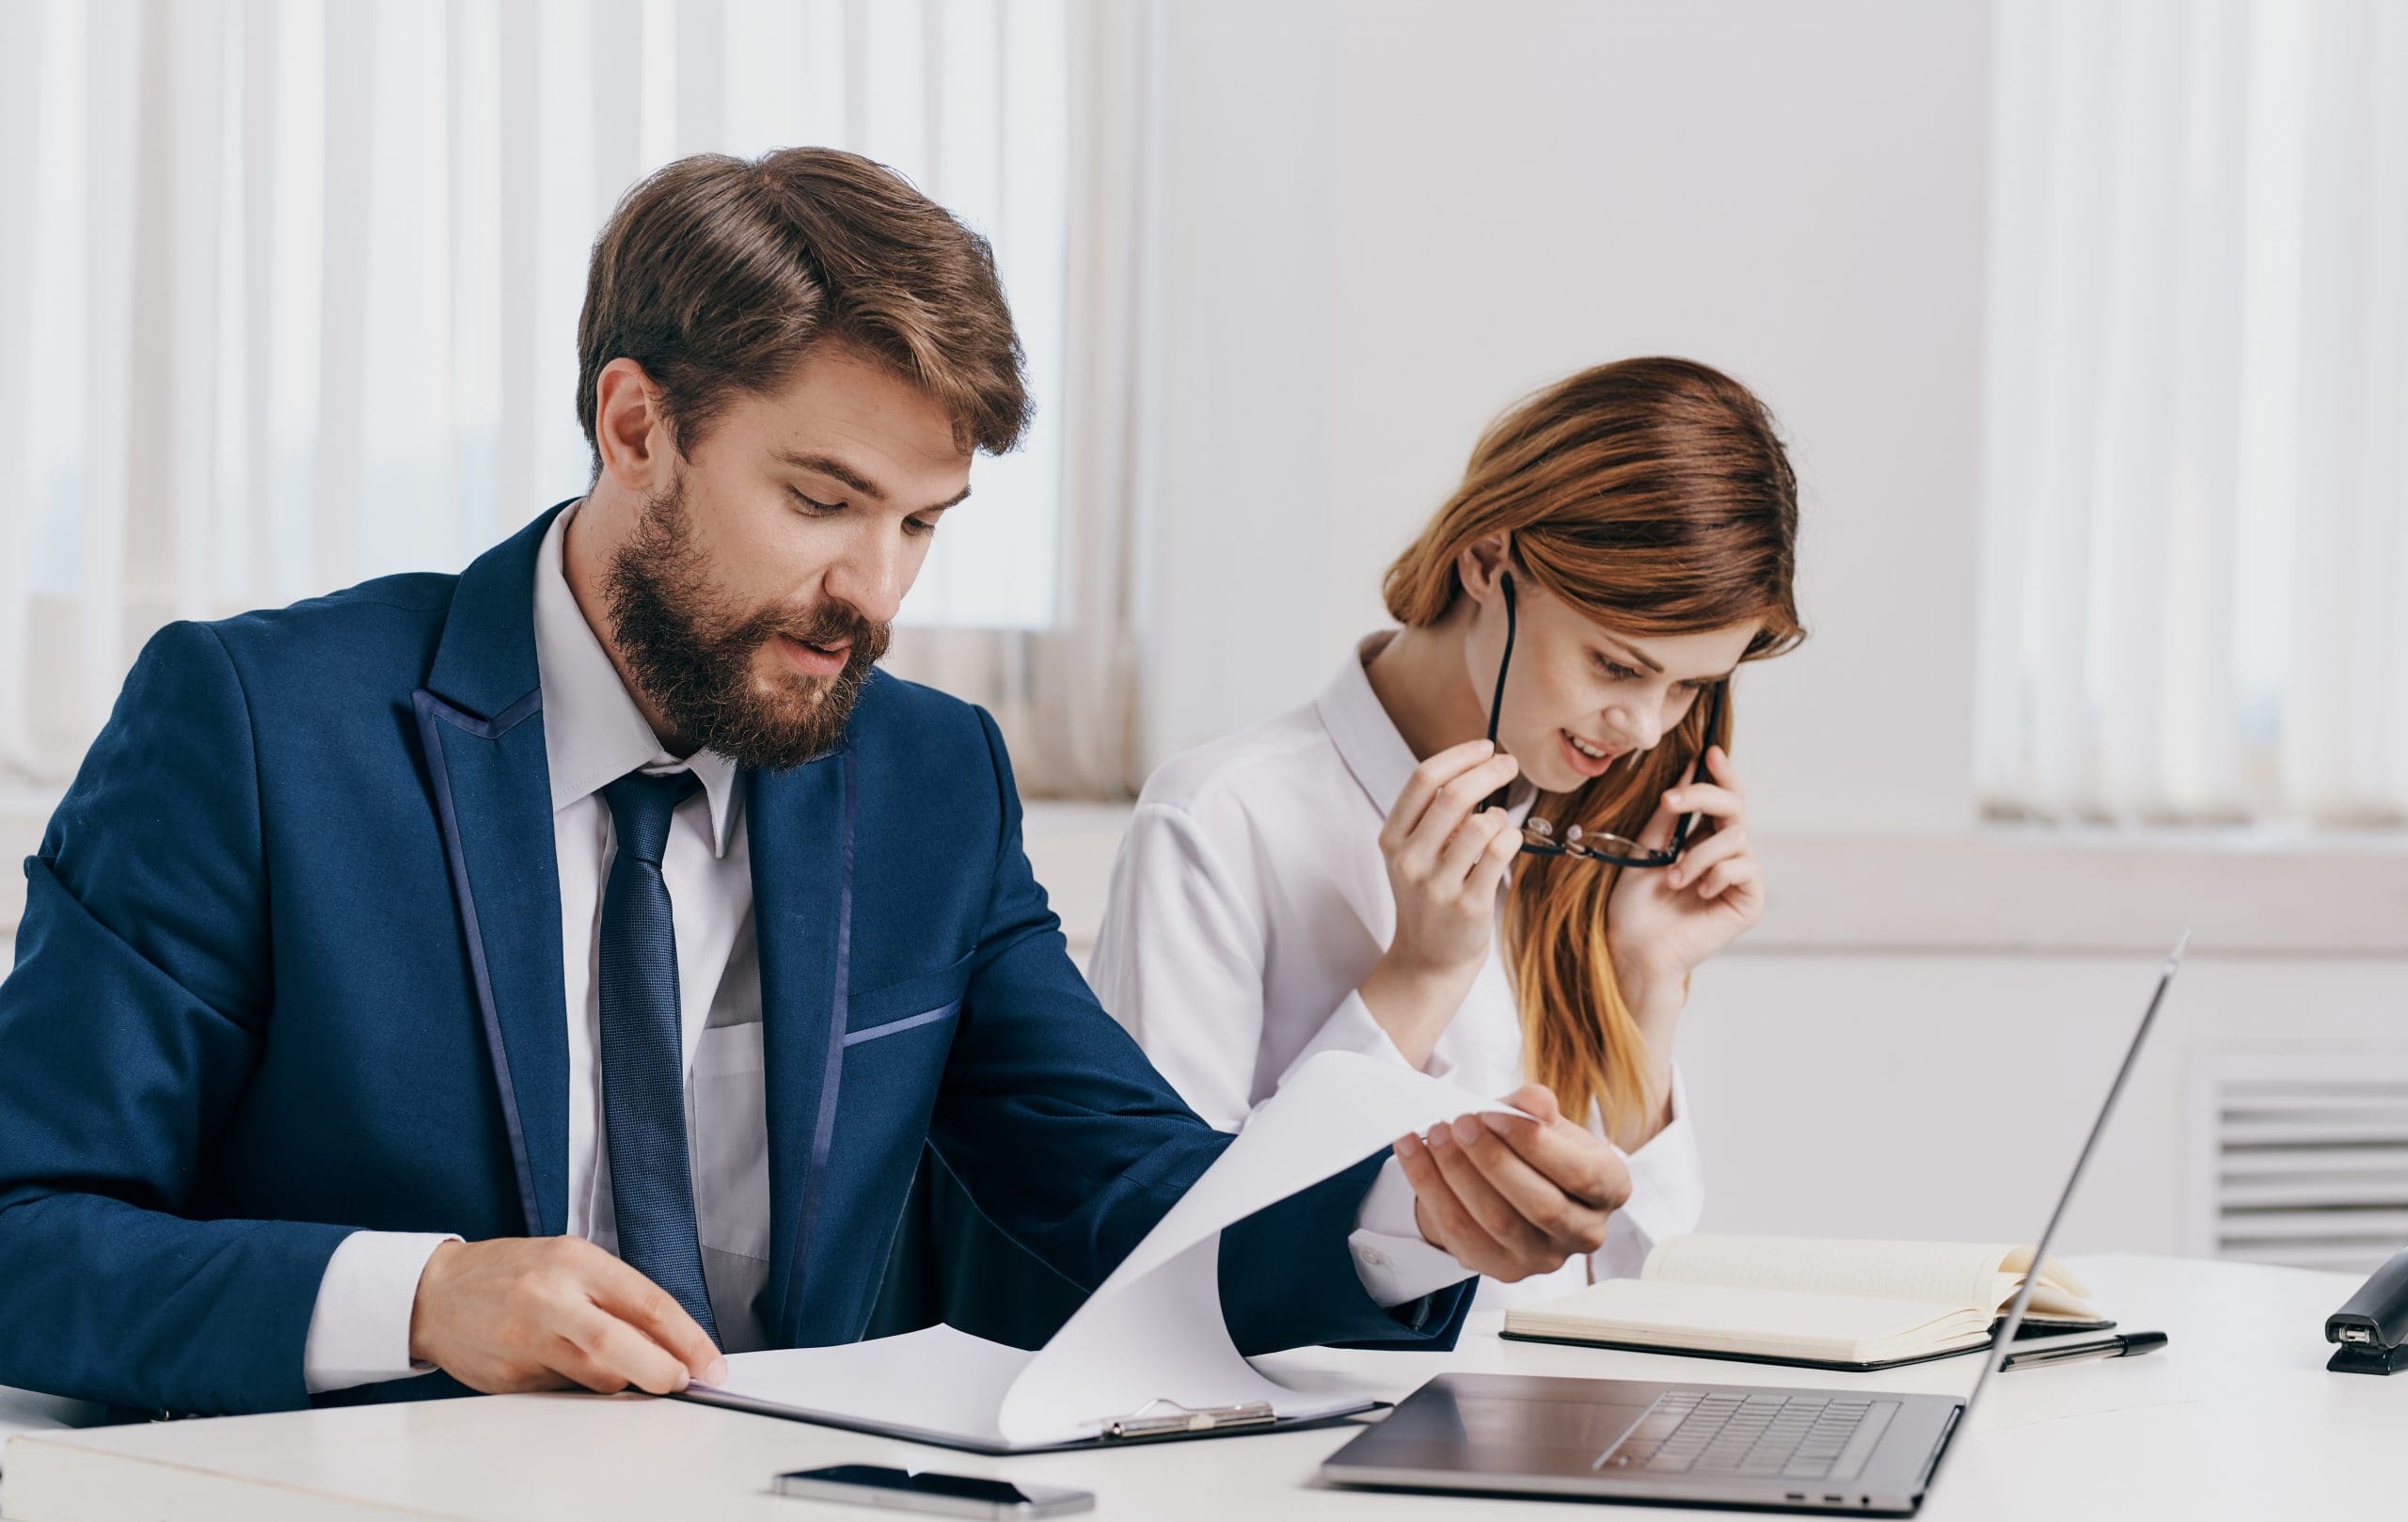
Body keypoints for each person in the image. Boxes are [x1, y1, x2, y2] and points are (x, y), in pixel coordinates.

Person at [0, 150, 1630, 1417]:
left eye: (923, 522)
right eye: (823, 498)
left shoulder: (928, 777)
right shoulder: (261, 726)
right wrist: (422, 1294)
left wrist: (1411, 1220)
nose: (877, 592)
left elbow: (1128, 1184)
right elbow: (26, 1227)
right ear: (635, 425)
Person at [1091, 357, 1804, 1308]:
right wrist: (1416, 975)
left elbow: (1637, 1291)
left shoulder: (1596, 839)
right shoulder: (1218, 819)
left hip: (1556, 1429)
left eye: (1687, 688)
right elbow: (1161, 1266)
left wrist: (1646, 992)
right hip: (1294, 1437)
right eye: (1616, 665)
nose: (1644, 727)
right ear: (1486, 562)